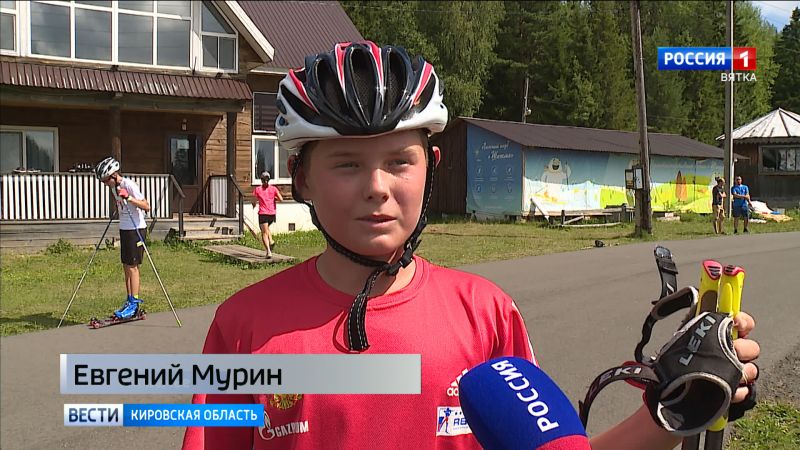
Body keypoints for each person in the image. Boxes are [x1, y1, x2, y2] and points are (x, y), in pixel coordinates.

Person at [182, 42, 760, 450]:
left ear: (430, 169)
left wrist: (673, 410)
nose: (377, 187)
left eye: (399, 161)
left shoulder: (485, 313)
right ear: (301, 179)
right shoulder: (244, 327)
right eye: (347, 164)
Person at [95, 156, 151, 319]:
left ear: (113, 175)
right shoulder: (114, 187)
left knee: (133, 267)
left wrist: (129, 198)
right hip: (124, 228)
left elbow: (146, 206)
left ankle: (134, 304)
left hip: (136, 228)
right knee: (126, 266)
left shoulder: (129, 185)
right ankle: (129, 300)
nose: (105, 184)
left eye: (106, 180)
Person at [252, 171, 283, 258]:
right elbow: (281, 199)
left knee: (264, 233)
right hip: (272, 214)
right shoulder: (273, 189)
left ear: (261, 180)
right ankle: (271, 241)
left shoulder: (258, 189)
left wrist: (254, 205)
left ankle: (268, 251)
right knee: (266, 228)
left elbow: (254, 201)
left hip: (263, 213)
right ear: (269, 180)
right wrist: (274, 199)